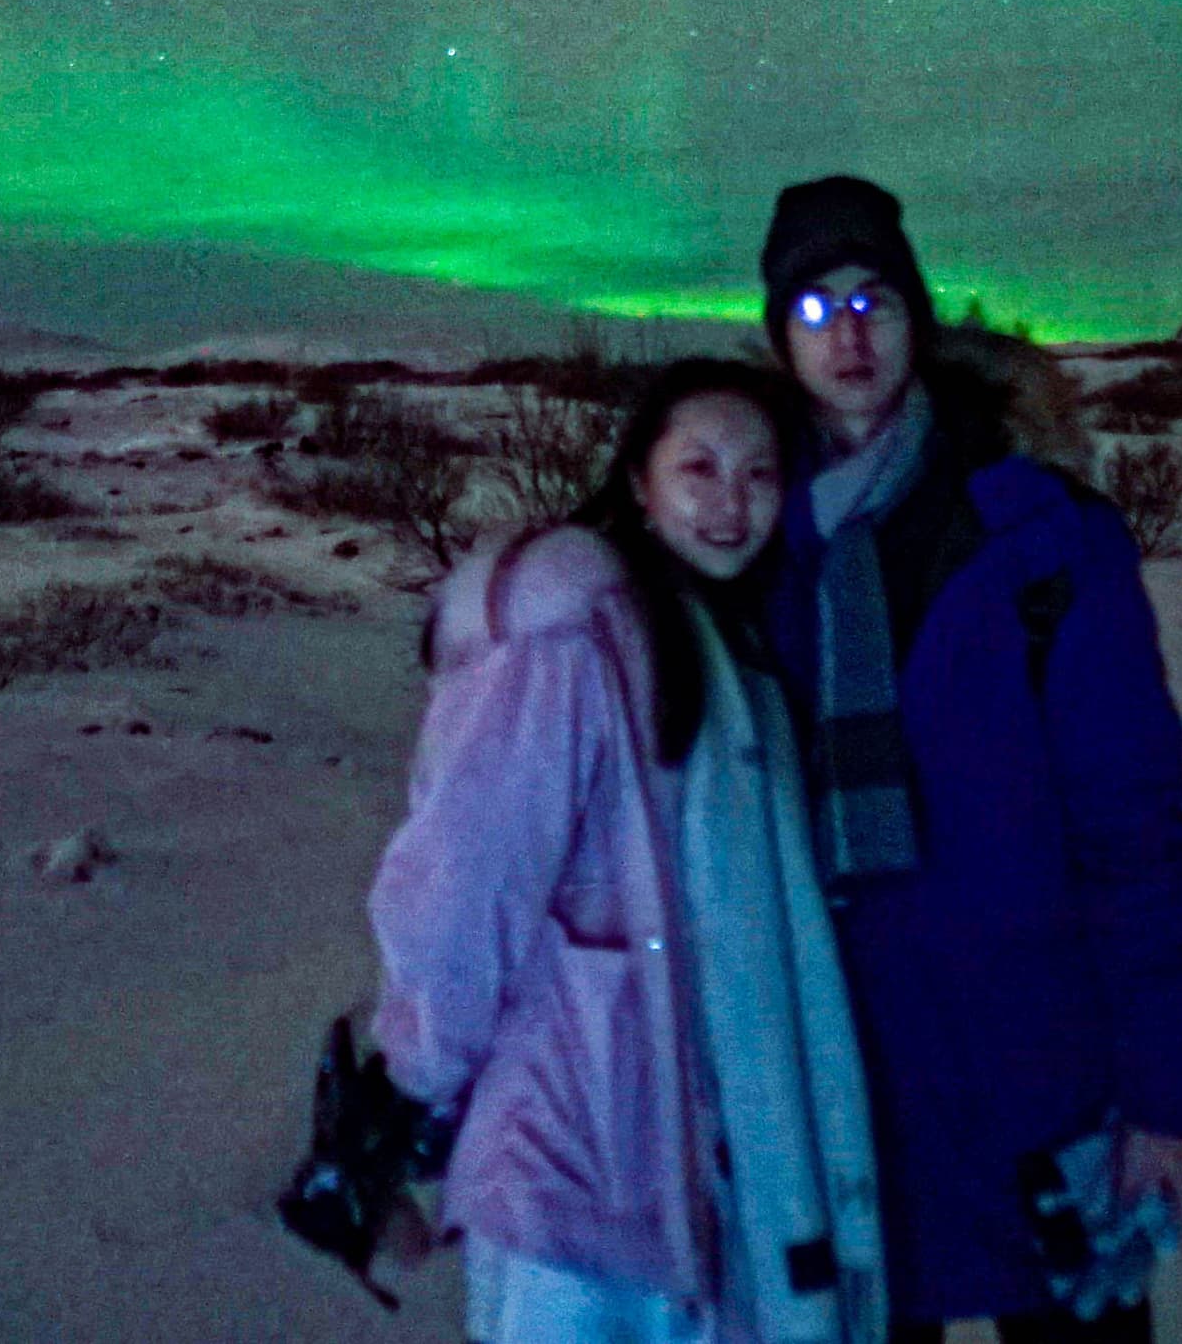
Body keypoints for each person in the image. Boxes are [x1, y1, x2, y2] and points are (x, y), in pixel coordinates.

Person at [750, 176, 1182, 1343]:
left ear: (917, 318)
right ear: (779, 341)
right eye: (814, 309)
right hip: (843, 1100)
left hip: (1041, 1083)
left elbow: (1133, 836)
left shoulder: (1045, 539)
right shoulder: (745, 549)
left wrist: (1169, 1100)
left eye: (874, 300)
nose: (849, 334)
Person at [364, 358, 891, 1344]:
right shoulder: (568, 633)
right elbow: (466, 879)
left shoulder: (728, 652)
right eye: (700, 468)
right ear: (640, 482)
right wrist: (413, 1081)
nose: (731, 503)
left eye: (760, 474)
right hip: (570, 1161)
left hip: (692, 1170)